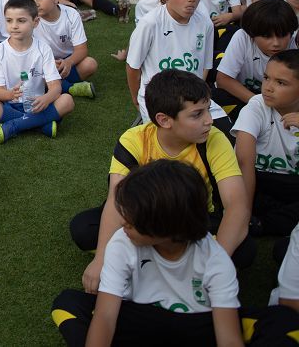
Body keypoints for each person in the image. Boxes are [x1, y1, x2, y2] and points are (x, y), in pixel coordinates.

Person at [53, 159, 296, 347]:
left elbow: (228, 338)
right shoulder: (122, 242)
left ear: (166, 227)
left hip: (199, 324)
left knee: (286, 323)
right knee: (68, 303)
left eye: (131, 220)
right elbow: (106, 316)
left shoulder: (215, 259)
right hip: (141, 318)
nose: (123, 224)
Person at [71, 69, 254, 293]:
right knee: (83, 229)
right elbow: (117, 201)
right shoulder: (134, 139)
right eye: (197, 114)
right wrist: (101, 260)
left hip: (194, 219)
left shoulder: (215, 139)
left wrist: (215, 263)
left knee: (243, 250)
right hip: (144, 214)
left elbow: (237, 205)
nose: (208, 120)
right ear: (164, 120)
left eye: (208, 110)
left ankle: (151, 259)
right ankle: (168, 259)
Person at [0, 0, 75, 142]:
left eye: (21, 20)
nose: (14, 26)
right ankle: (40, 124)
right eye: (9, 21)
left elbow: (55, 87)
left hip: (36, 105)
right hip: (8, 106)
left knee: (67, 100)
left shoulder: (43, 49)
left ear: (35, 22)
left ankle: (16, 125)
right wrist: (10, 95)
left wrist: (46, 98)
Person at [232, 49, 299, 237]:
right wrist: (242, 215)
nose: (268, 87)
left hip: (294, 184)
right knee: (231, 186)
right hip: (261, 180)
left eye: (280, 83)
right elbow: (244, 162)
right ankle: (264, 222)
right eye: (266, 77)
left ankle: (263, 224)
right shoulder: (257, 105)